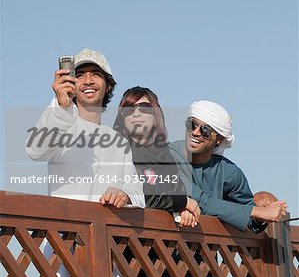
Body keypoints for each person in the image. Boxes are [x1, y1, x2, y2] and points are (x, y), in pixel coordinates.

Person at [26, 48, 145, 208]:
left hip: (106, 232)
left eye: (96, 74)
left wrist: (125, 194)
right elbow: (35, 151)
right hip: (65, 231)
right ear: (72, 82)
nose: (88, 81)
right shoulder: (60, 123)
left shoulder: (119, 142)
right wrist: (61, 106)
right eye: (80, 75)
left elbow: (137, 192)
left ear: (108, 85)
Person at [170, 100, 287, 232]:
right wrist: (257, 211)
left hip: (204, 250)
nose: (196, 132)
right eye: (192, 125)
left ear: (219, 139)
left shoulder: (229, 172)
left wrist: (262, 214)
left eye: (205, 130)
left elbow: (248, 215)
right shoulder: (167, 156)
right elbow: (196, 198)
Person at [113, 86, 201, 227]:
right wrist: (181, 202)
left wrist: (184, 210)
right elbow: (138, 197)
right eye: (129, 108)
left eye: (144, 107)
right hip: (123, 239)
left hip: (162, 243)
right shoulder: (117, 151)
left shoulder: (167, 157)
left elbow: (180, 193)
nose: (136, 114)